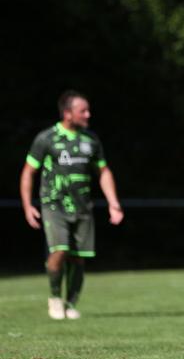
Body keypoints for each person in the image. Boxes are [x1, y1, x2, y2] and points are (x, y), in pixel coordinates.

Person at [20, 91, 124, 320]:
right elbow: (29, 172)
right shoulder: (47, 139)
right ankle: (55, 298)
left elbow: (103, 171)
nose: (88, 114)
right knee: (60, 251)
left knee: (78, 257)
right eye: (82, 111)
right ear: (67, 114)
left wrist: (113, 203)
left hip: (83, 207)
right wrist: (28, 206)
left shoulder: (90, 140)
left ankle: (71, 303)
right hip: (53, 205)